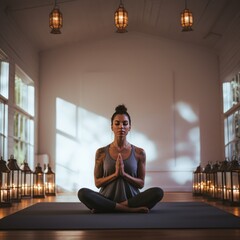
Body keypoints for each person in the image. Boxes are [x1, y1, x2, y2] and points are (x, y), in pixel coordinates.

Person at [78, 104, 164, 213]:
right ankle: (129, 210)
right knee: (82, 193)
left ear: (130, 127)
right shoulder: (101, 152)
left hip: (132, 199)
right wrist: (115, 175)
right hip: (106, 198)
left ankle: (109, 208)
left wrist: (124, 175)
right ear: (111, 127)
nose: (121, 127)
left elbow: (141, 184)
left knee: (158, 192)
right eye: (117, 123)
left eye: (125, 123)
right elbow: (97, 183)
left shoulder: (139, 153)